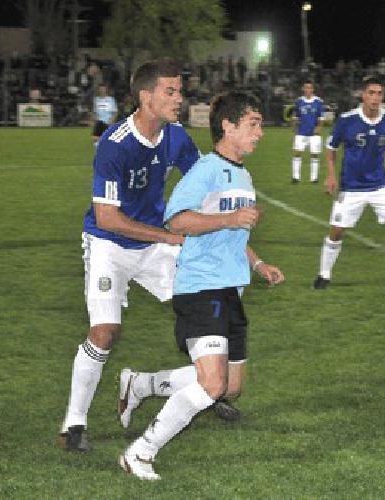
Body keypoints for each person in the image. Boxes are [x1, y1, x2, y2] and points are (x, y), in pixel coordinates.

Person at [119, 91, 284, 480]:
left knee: (230, 387)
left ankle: (141, 384)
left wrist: (259, 264)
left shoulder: (243, 175)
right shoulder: (207, 170)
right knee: (212, 384)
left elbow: (235, 233)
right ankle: (140, 452)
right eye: (253, 124)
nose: (260, 133)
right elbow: (176, 220)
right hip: (200, 287)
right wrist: (229, 220)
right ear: (227, 126)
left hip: (231, 289)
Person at [57, 60, 201, 453]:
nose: (179, 98)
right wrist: (169, 237)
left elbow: (200, 182)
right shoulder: (114, 144)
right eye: (170, 91)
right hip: (109, 243)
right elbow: (108, 217)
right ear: (146, 96)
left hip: (155, 243)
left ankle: (208, 386)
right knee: (105, 332)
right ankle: (74, 423)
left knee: (203, 312)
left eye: (179, 91)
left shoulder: (177, 138)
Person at [313, 77, 385, 289]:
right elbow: (331, 150)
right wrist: (330, 176)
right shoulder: (347, 120)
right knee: (337, 231)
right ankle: (324, 275)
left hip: (380, 185)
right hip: (351, 187)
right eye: (371, 93)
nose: (375, 98)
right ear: (363, 95)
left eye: (379, 93)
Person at [290, 80, 325, 184]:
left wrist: (318, 128)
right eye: (306, 88)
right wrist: (293, 131)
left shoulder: (318, 102)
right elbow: (295, 117)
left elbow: (322, 118)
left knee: (314, 155)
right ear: (303, 89)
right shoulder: (299, 101)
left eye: (310, 88)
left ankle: (314, 178)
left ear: (313, 89)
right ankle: (296, 177)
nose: (308, 90)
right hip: (301, 132)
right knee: (297, 153)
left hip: (314, 134)